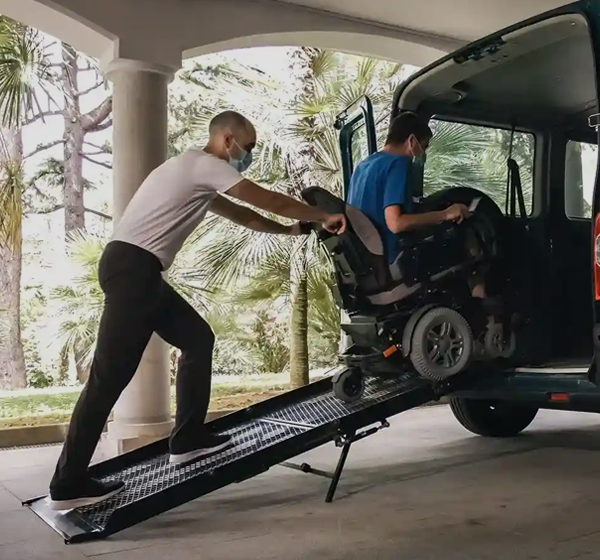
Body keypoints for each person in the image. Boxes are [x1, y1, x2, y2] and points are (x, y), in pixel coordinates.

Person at [48, 110, 346, 511]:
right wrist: (324, 215)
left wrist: (292, 230)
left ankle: (186, 440)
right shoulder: (205, 165)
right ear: (227, 140)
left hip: (139, 271)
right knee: (108, 377)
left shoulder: (193, 173)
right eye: (248, 147)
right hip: (133, 270)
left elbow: (244, 215)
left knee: (197, 338)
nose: (248, 155)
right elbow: (267, 199)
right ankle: (68, 483)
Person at [346, 112, 486, 297]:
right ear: (412, 141)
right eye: (424, 146)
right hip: (392, 260)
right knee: (470, 247)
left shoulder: (363, 166)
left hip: (367, 263)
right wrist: (446, 214)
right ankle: (481, 301)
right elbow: (395, 223)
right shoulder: (398, 163)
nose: (423, 153)